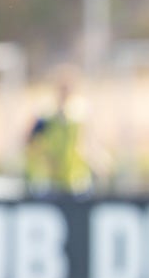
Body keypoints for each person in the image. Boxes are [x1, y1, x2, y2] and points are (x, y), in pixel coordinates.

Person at [24, 65, 96, 198]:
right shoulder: (46, 112)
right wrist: (43, 158)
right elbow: (30, 140)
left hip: (76, 178)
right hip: (51, 177)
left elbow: (87, 141)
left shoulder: (79, 111)